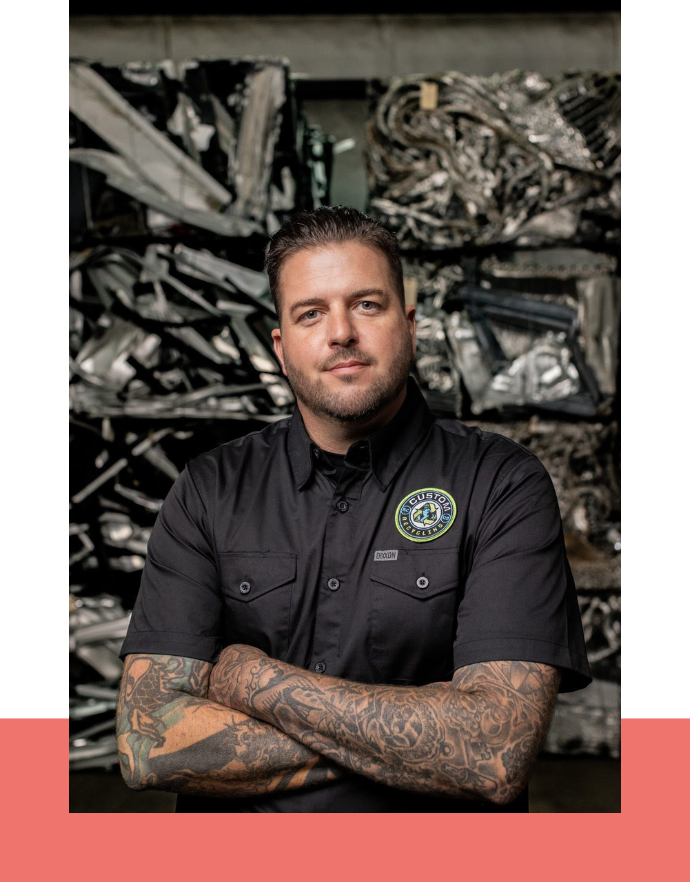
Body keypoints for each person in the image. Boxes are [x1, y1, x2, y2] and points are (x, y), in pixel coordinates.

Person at [116, 206, 591, 813]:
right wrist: (413, 748)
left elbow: (492, 750)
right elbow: (147, 742)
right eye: (311, 313)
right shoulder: (210, 488)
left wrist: (254, 680)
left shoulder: (500, 483)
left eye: (367, 304)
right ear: (282, 349)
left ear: (410, 324)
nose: (340, 332)